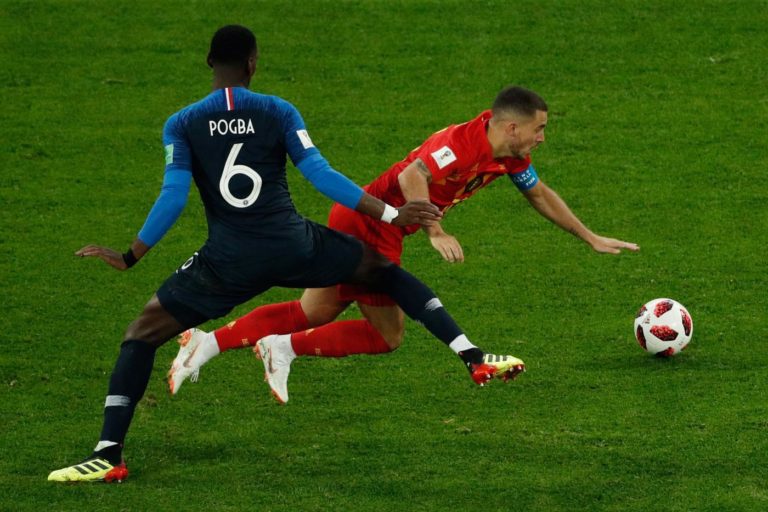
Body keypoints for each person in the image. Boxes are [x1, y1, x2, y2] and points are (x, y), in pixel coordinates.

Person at [47, 25, 523, 484]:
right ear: (254, 64)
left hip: (226, 261)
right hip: (295, 246)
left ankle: (107, 455)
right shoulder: (278, 111)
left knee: (140, 336)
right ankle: (470, 354)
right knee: (383, 271)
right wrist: (392, 216)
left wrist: (131, 255)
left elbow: (173, 196)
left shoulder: (183, 123)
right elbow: (320, 174)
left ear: (210, 63)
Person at [168, 85, 639, 402]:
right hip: (370, 224)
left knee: (316, 312)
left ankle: (226, 342)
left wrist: (589, 236)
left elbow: (538, 193)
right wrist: (435, 230)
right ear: (511, 127)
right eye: (539, 129)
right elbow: (417, 174)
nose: (542, 137)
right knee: (386, 334)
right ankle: (257, 346)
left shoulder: (509, 156)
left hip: (376, 227)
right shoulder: (463, 143)